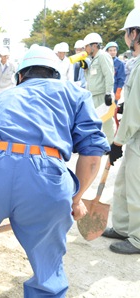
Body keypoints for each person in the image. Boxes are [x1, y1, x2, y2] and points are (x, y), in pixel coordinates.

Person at [0, 45, 110, 297]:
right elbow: (92, 156)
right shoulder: (74, 93)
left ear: (20, 76)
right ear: (57, 74)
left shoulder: (2, 97)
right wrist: (75, 199)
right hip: (44, 179)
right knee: (48, 263)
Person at [102, 8, 140, 255]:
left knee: (136, 187)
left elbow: (135, 113)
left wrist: (117, 141)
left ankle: (137, 238)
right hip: (136, 134)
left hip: (137, 133)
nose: (125, 37)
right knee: (125, 182)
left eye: (127, 33)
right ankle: (123, 227)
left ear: (135, 33)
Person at [83, 32, 115, 143]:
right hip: (94, 95)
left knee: (107, 122)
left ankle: (111, 145)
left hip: (102, 95)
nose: (85, 49)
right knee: (96, 121)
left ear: (94, 45)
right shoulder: (94, 58)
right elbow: (91, 78)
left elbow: (109, 75)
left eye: (86, 46)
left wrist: (108, 93)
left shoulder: (103, 56)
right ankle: (102, 143)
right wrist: (86, 69)